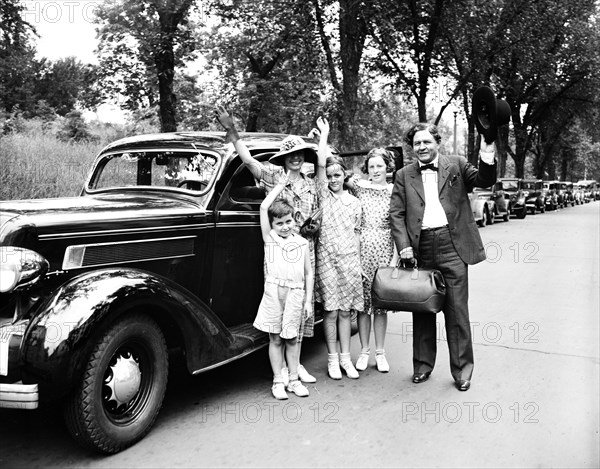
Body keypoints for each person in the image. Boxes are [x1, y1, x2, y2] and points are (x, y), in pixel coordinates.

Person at [389, 122, 497, 392]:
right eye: (417, 144)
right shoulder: (403, 174)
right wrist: (404, 246)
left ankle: (462, 371)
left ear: (438, 143)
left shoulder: (457, 164)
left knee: (457, 311)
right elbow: (397, 214)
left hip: (453, 246)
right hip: (420, 248)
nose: (422, 147)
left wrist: (486, 152)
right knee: (422, 308)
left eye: (427, 142)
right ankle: (422, 366)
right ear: (412, 148)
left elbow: (485, 180)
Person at [215, 106, 318, 384]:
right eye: (290, 155)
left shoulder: (311, 183)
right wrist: (232, 129)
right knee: (279, 304)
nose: (295, 158)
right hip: (277, 251)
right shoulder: (273, 175)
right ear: (283, 158)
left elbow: (319, 213)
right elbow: (248, 160)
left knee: (301, 307)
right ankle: (281, 370)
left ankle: (297, 364)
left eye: (299, 154)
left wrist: (312, 227)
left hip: (304, 248)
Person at [253, 172, 314, 399]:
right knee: (276, 338)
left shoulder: (302, 243)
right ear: (273, 225)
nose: (285, 227)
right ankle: (278, 380)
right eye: (279, 223)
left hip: (295, 294)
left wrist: (307, 300)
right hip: (273, 293)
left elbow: (308, 273)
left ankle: (294, 380)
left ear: (295, 220)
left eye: (288, 221)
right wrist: (281, 184)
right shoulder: (270, 239)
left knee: (291, 337)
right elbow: (263, 208)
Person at [313, 117, 363, 380]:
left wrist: (357, 263)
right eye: (330, 176)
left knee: (346, 311)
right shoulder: (322, 195)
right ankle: (332, 359)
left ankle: (346, 358)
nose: (333, 179)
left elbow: (356, 234)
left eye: (337, 175)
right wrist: (324, 136)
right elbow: (321, 163)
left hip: (348, 261)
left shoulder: (354, 203)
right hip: (326, 260)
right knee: (331, 311)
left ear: (345, 176)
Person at [347, 148, 398, 373]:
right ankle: (364, 351)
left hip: (385, 248)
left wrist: (395, 256)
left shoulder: (395, 191)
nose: (375, 170)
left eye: (380, 165)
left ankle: (380, 352)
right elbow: (334, 174)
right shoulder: (359, 187)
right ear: (366, 168)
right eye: (372, 166)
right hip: (362, 248)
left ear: (388, 167)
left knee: (380, 305)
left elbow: (399, 224)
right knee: (362, 305)